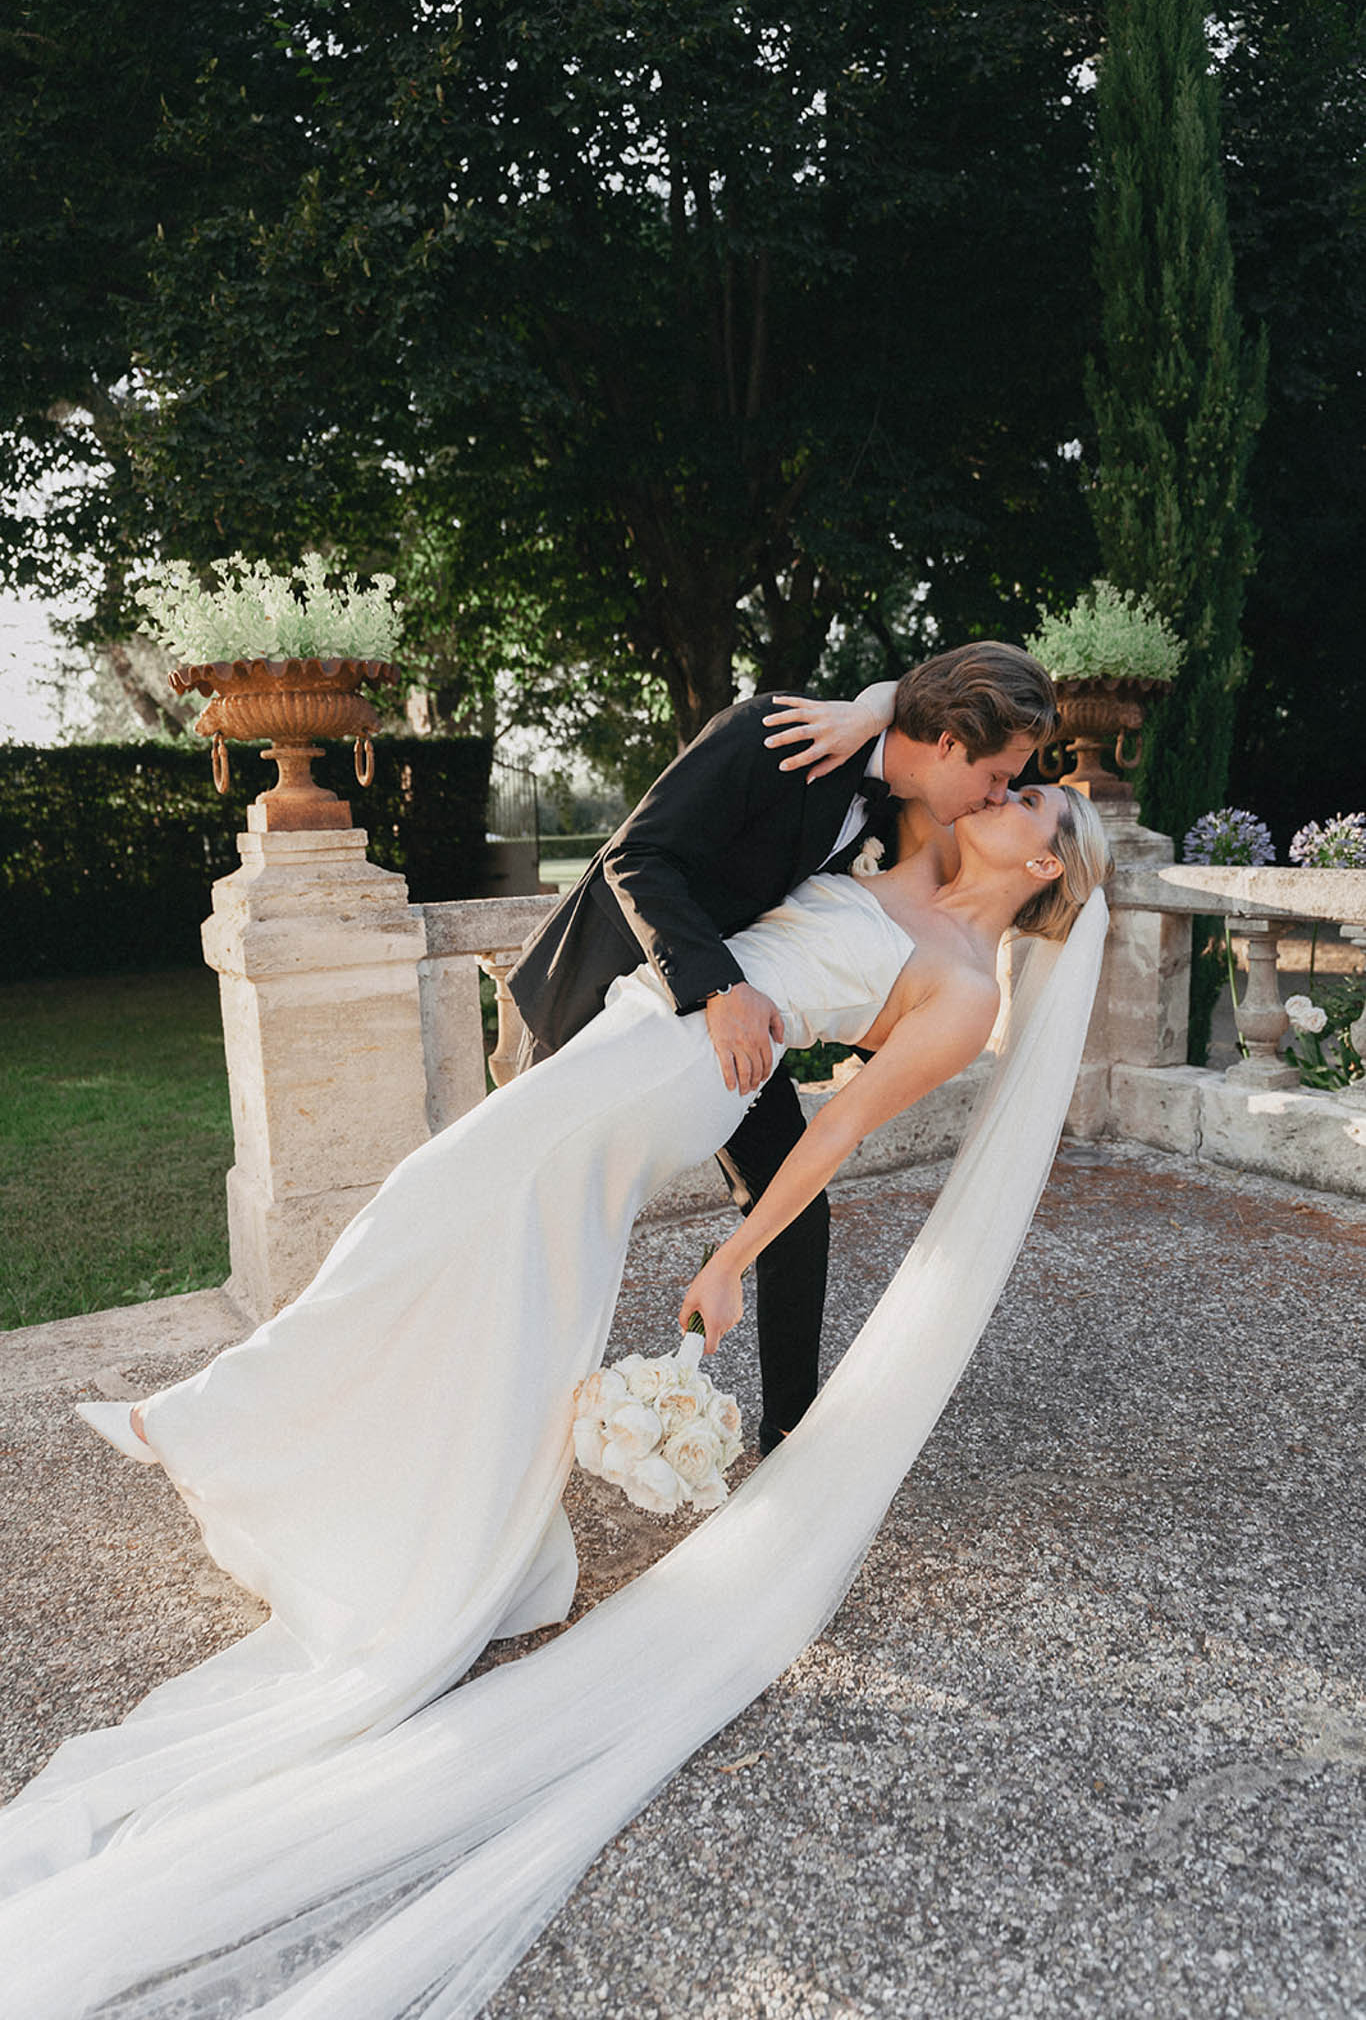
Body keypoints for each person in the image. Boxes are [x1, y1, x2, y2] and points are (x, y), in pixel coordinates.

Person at [0, 773, 1111, 2020]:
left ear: (1046, 865)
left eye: (1034, 801)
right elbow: (874, 735)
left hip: (681, 1073)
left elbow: (835, 1127)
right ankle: (486, 1529)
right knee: (510, 1277)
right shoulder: (892, 844)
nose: (1005, 788)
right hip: (644, 1023)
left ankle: (213, 1416)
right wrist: (872, 713)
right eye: (1011, 776)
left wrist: (733, 1254)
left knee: (419, 1203)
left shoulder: (964, 992)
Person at [511, 641, 1059, 1452]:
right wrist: (719, 989)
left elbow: (928, 706)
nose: (999, 794)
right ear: (950, 744)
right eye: (998, 776)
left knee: (795, 1215)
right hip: (616, 987)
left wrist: (877, 704)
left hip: (745, 1022)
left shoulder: (903, 807)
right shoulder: (778, 734)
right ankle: (520, 1417)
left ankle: (789, 1438)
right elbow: (635, 856)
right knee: (545, 1209)